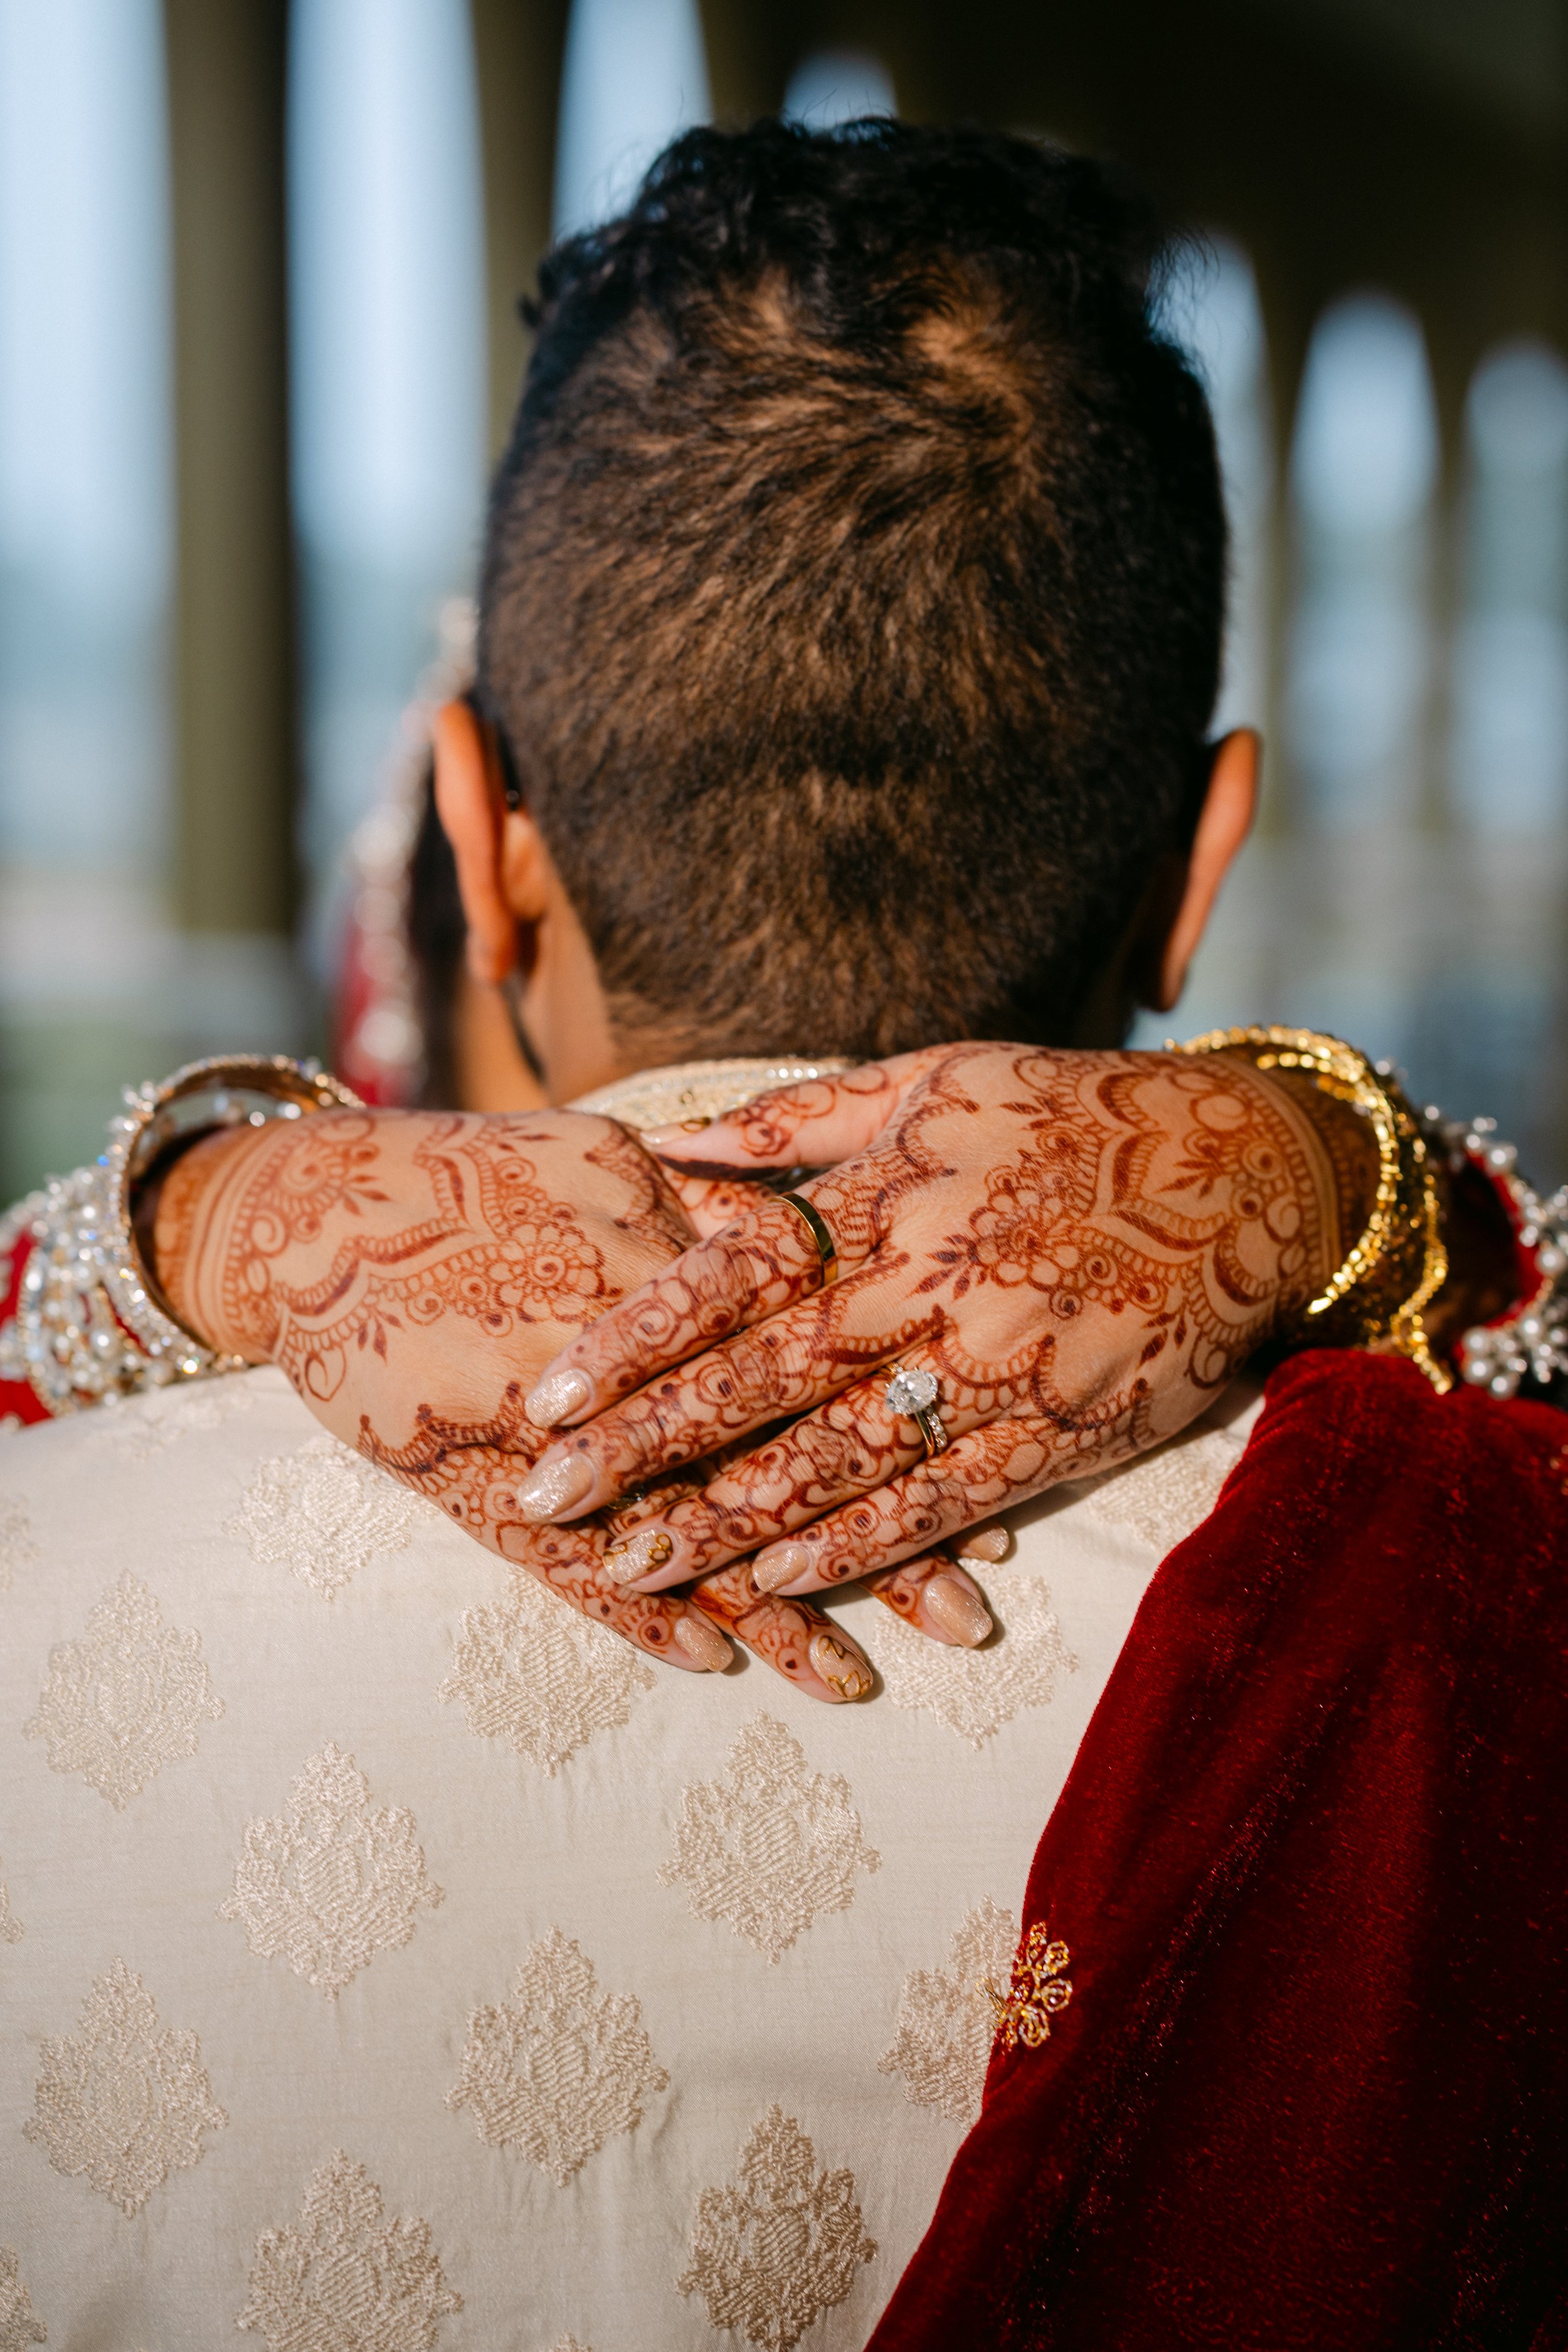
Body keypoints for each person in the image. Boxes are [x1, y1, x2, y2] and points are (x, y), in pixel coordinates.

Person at [1, 119, 1563, 2347]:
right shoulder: (1480, 1580)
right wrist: (1326, 1154)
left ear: (480, 829)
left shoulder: (36, 1557)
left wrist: (204, 1202)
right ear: (1197, 860)